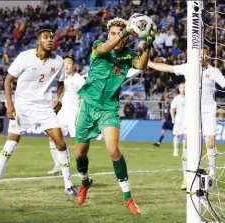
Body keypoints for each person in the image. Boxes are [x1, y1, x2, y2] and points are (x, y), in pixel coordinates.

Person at [74, 17, 156, 214]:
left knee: (113, 150)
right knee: (80, 153)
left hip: (108, 108)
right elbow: (104, 48)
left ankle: (128, 198)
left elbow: (141, 66)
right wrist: (125, 31)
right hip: (87, 105)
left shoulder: (129, 55)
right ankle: (85, 182)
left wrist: (148, 45)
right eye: (112, 34)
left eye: (119, 34)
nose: (115, 37)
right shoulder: (99, 46)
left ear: (127, 39)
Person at [0, 29, 77, 199]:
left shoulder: (59, 61)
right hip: (23, 108)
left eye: (52, 38)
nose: (50, 40)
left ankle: (68, 186)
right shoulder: (24, 57)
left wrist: (59, 98)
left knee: (61, 143)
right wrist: (10, 104)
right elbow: (9, 80)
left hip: (45, 108)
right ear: (38, 40)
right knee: (10, 145)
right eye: (46, 38)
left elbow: (60, 83)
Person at [148, 46, 225, 189]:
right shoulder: (188, 67)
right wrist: (149, 63)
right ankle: (186, 178)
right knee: (187, 143)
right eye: (199, 54)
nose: (201, 56)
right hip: (192, 112)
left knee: (210, 143)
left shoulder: (214, 72)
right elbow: (167, 68)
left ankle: (213, 172)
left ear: (208, 56)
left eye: (204, 54)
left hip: (208, 111)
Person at [47, 55, 85, 175]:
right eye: (64, 63)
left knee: (79, 142)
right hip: (61, 115)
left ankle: (82, 168)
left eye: (69, 63)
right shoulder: (60, 80)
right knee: (53, 137)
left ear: (74, 65)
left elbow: (85, 97)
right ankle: (58, 165)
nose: (66, 65)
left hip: (75, 115)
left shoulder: (80, 79)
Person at [170, 83, 185, 157]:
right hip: (179, 119)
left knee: (187, 136)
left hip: (188, 120)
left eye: (184, 87)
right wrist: (173, 118)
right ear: (179, 89)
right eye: (181, 87)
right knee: (177, 135)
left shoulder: (190, 97)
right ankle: (175, 149)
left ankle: (185, 151)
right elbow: (172, 108)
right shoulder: (176, 98)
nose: (183, 89)